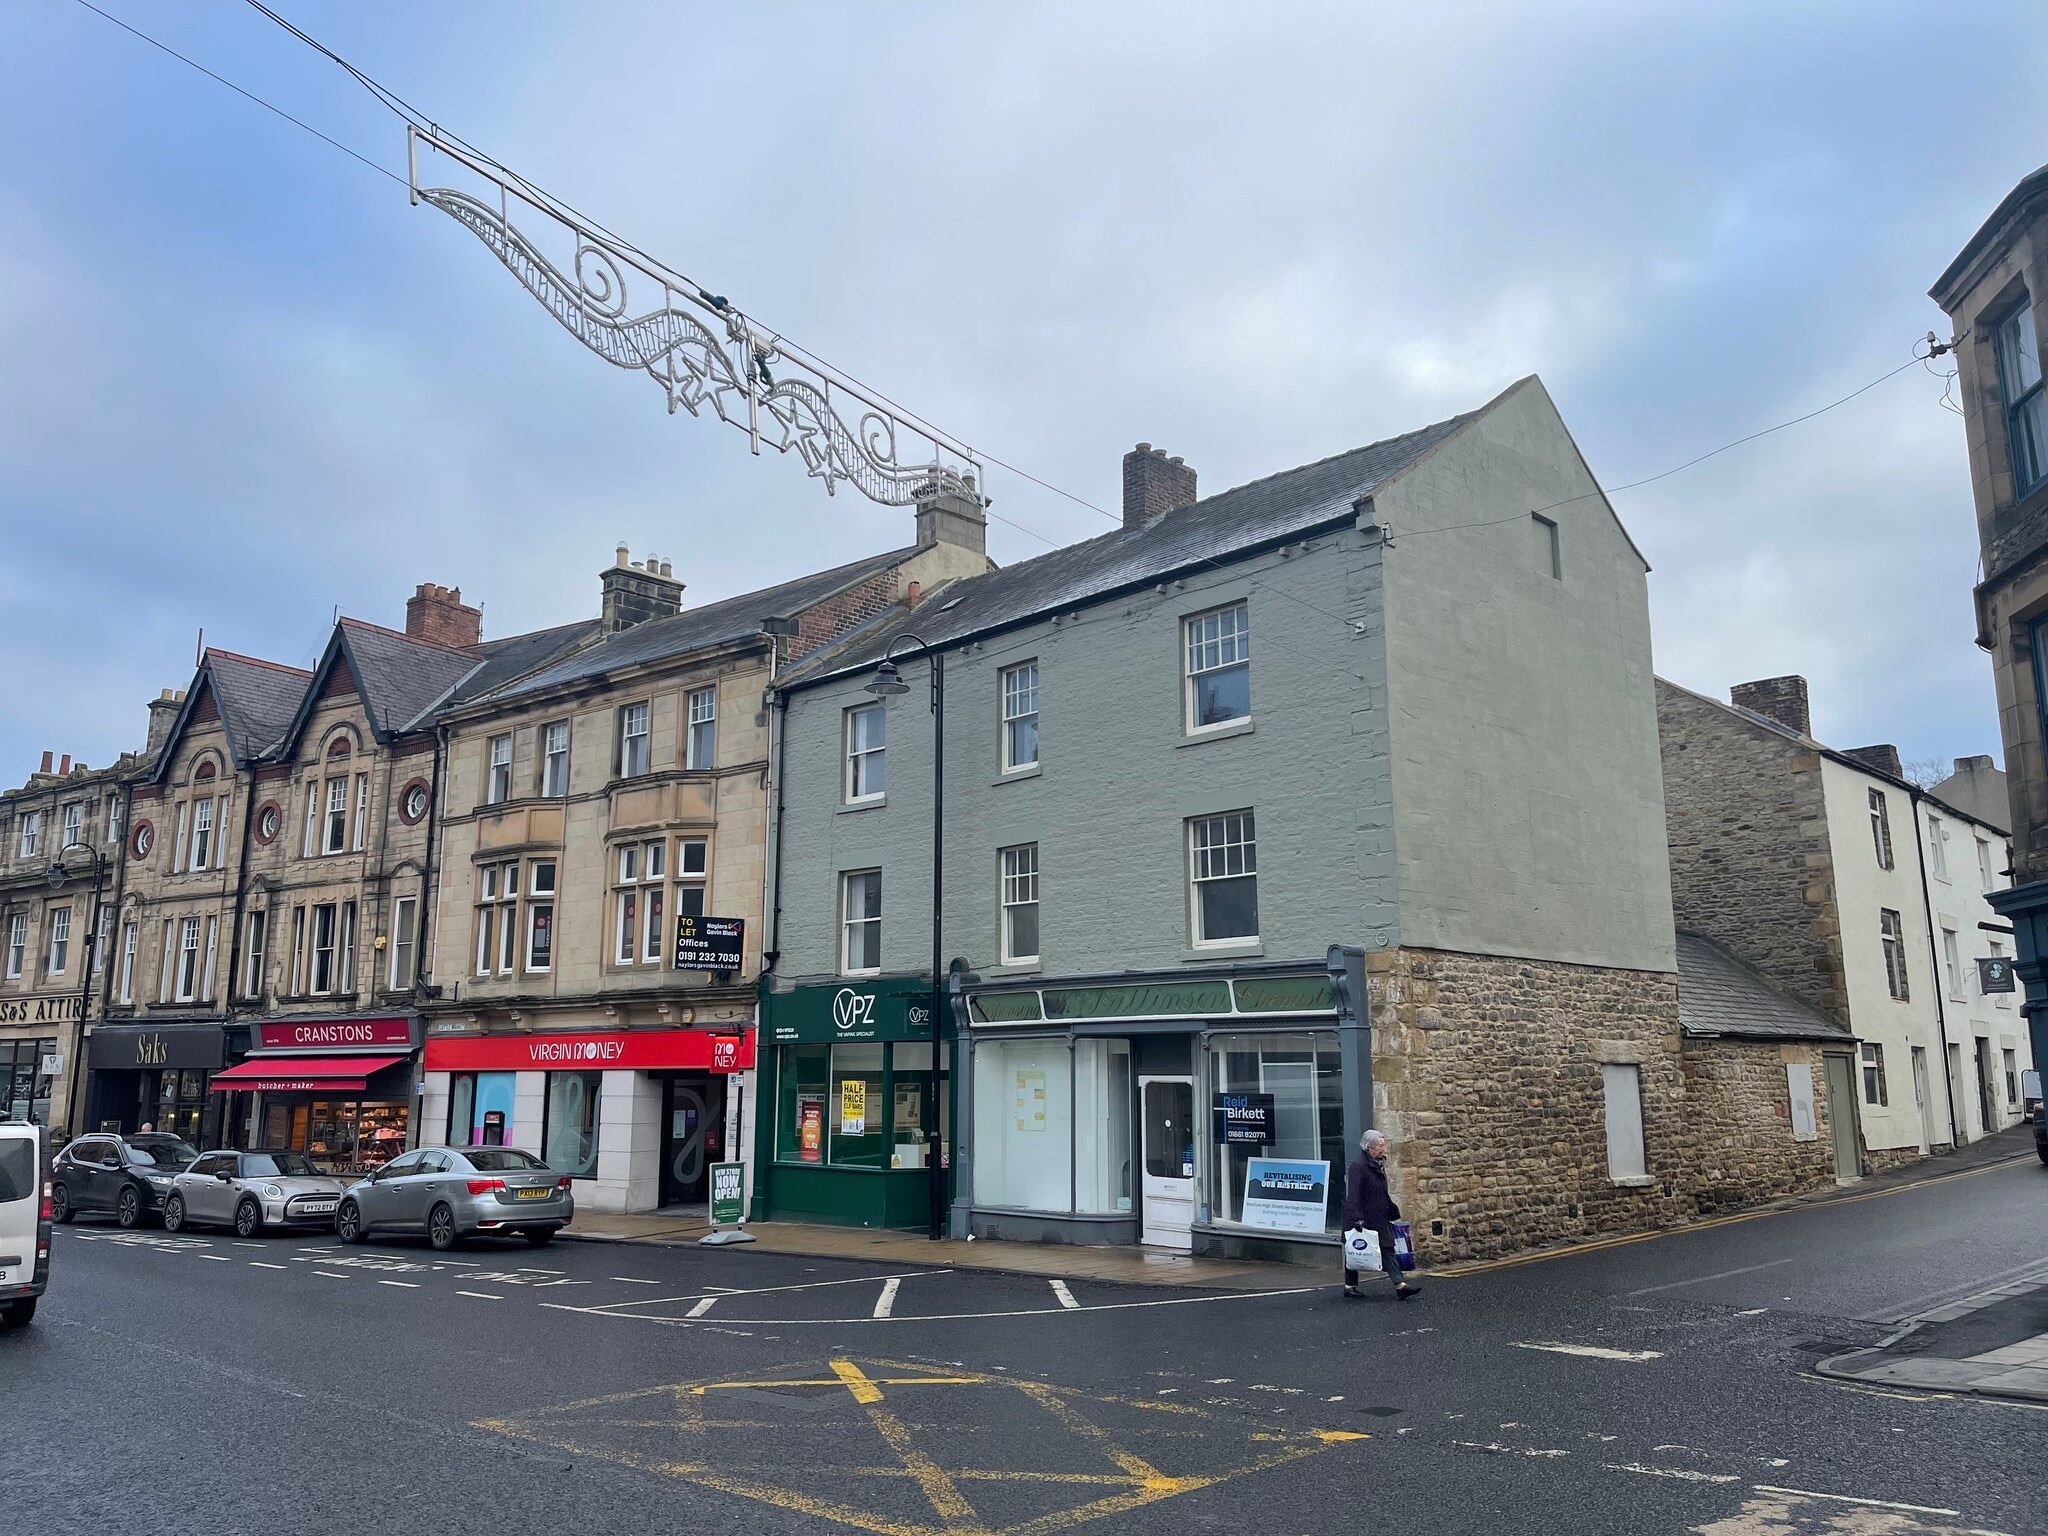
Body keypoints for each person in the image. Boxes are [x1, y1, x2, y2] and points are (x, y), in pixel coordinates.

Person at [1343, 1129, 1417, 1300]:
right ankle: (1350, 1286)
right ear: (1369, 1147)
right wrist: (1356, 1219)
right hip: (1363, 1217)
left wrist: (1390, 1209)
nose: (1383, 1149)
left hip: (1378, 1216)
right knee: (1354, 1250)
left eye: (1383, 1145)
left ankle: (1400, 1285)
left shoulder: (1377, 1164)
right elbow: (1353, 1195)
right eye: (1380, 1146)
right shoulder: (1358, 1167)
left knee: (1387, 1248)